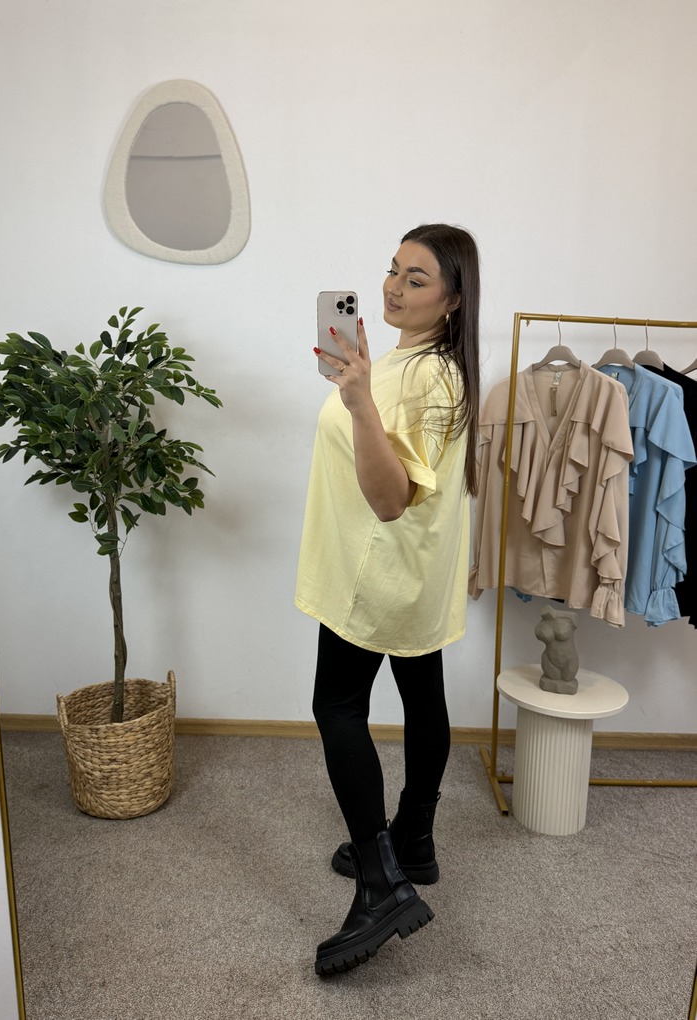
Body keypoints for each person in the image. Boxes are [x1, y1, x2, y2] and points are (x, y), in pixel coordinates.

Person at [294, 223, 481, 976]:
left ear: (453, 300)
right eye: (393, 270)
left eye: (416, 278)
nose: (393, 287)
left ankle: (380, 885)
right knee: (421, 688)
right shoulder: (428, 365)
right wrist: (359, 390)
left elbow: (389, 499)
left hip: (377, 568)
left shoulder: (419, 377)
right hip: (419, 571)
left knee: (336, 707)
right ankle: (415, 841)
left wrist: (359, 404)